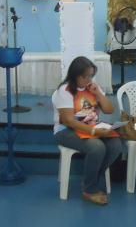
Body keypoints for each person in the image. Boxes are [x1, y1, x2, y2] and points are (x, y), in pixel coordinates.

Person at [52, 56, 123, 205]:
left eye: (90, 75)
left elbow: (109, 110)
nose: (88, 79)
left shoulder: (92, 87)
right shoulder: (64, 90)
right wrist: (94, 133)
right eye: (84, 76)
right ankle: (89, 190)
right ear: (74, 75)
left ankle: (91, 179)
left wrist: (98, 94)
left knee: (116, 144)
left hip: (90, 127)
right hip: (66, 131)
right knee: (96, 147)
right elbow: (68, 121)